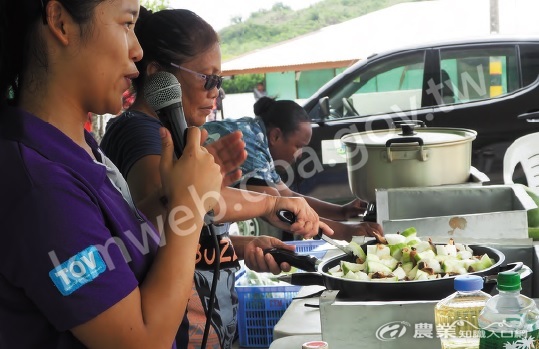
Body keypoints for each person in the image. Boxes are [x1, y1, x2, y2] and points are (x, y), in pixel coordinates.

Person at [99, 8, 331, 349]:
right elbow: (174, 211)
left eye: (220, 81)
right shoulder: (141, 132)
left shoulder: (178, 138)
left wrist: (239, 247)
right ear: (158, 74)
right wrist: (268, 203)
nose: (216, 92)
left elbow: (187, 226)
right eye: (208, 78)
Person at [0, 1, 223, 348]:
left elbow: (111, 250)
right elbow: (143, 341)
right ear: (61, 22)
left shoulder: (79, 149)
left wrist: (171, 199)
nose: (136, 50)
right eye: (126, 24)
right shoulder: (39, 187)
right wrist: (191, 207)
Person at [203, 96, 384, 242]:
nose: (301, 154)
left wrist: (341, 212)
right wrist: (347, 232)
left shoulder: (256, 136)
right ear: (276, 136)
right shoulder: (247, 142)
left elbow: (288, 196)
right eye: (298, 146)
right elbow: (280, 210)